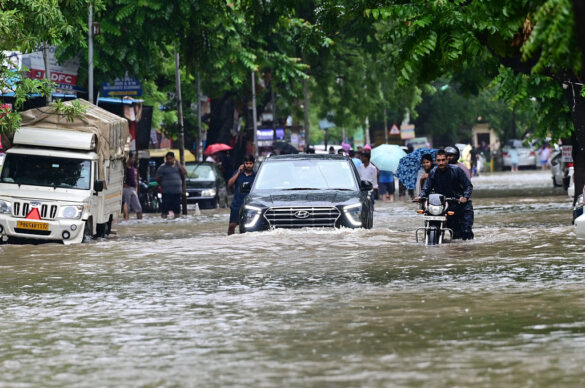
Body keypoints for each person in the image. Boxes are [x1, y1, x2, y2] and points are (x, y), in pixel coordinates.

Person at [416, 149, 474, 240]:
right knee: (442, 227)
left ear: (447, 160)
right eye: (439, 160)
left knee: (464, 233)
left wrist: (465, 197)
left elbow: (468, 186)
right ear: (435, 161)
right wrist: (420, 196)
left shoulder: (457, 170)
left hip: (461, 205)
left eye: (443, 160)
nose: (441, 162)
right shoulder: (433, 172)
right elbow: (426, 188)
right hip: (444, 205)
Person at [227, 154, 256, 235]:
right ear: (244, 164)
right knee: (232, 225)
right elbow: (229, 184)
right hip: (236, 204)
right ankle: (230, 241)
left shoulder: (256, 176)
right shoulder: (238, 173)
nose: (249, 166)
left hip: (250, 205)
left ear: (253, 164)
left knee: (248, 226)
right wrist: (238, 173)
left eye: (250, 163)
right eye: (247, 163)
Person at [155, 151, 186, 218]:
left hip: (177, 192)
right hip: (166, 193)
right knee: (164, 211)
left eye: (170, 159)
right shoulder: (162, 167)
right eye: (167, 159)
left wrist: (179, 164)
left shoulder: (178, 166)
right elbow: (157, 178)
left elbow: (184, 173)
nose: (169, 160)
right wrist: (162, 184)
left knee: (177, 211)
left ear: (174, 158)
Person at [122, 152, 143, 220]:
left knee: (139, 208)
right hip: (127, 189)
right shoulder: (125, 168)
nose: (134, 160)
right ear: (129, 158)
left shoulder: (133, 167)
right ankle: (126, 221)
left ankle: (139, 221)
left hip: (133, 189)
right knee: (126, 208)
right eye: (132, 158)